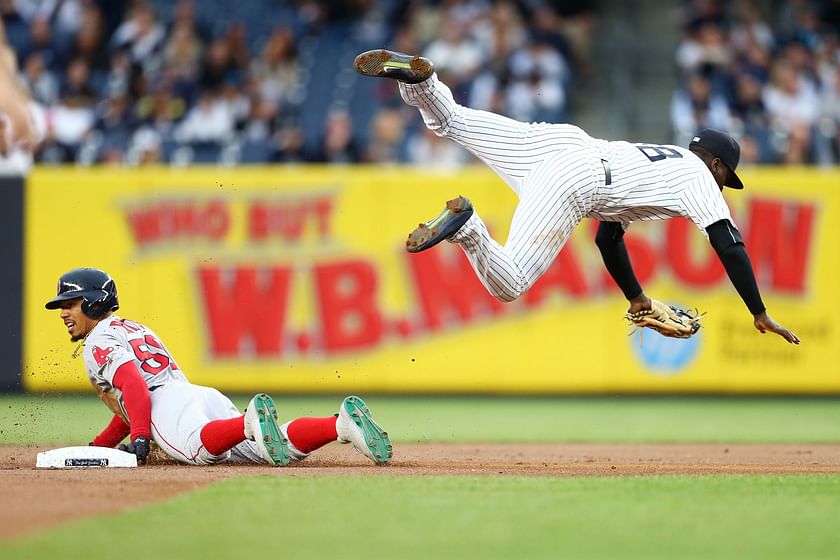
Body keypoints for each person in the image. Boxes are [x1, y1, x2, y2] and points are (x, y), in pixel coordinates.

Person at [354, 49, 799, 344]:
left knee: (449, 120)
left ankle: (419, 82)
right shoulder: (699, 178)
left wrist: (636, 297)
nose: (723, 187)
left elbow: (609, 239)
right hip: (578, 178)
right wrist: (758, 312)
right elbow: (729, 245)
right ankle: (469, 228)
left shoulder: (660, 162)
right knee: (510, 283)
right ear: (717, 164)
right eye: (726, 177)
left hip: (561, 145)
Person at [45, 267, 393, 466]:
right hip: (197, 396)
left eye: (70, 304)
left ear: (92, 303)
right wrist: (100, 446)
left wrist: (139, 437)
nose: (63, 313)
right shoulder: (134, 327)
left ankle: (246, 422)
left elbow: (134, 386)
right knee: (270, 452)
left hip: (165, 405)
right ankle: (339, 426)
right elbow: (127, 403)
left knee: (199, 452)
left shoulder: (98, 341)